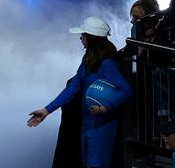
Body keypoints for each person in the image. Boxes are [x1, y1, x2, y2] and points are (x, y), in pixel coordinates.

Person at [28, 16, 131, 168]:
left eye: (83, 35)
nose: (80, 38)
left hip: (102, 125)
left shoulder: (107, 63)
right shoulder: (88, 60)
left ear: (92, 37)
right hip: (88, 122)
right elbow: (74, 86)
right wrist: (47, 110)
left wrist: (105, 108)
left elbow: (126, 89)